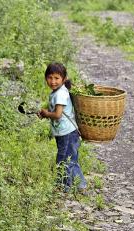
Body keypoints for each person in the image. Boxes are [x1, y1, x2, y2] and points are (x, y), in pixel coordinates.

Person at [38, 62, 87, 192]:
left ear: (63, 79)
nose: (53, 81)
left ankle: (64, 186)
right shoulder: (58, 92)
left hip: (67, 134)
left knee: (63, 160)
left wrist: (47, 113)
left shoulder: (60, 94)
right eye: (50, 77)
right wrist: (46, 114)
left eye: (56, 78)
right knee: (71, 159)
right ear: (46, 78)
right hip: (67, 133)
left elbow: (58, 114)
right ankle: (80, 186)